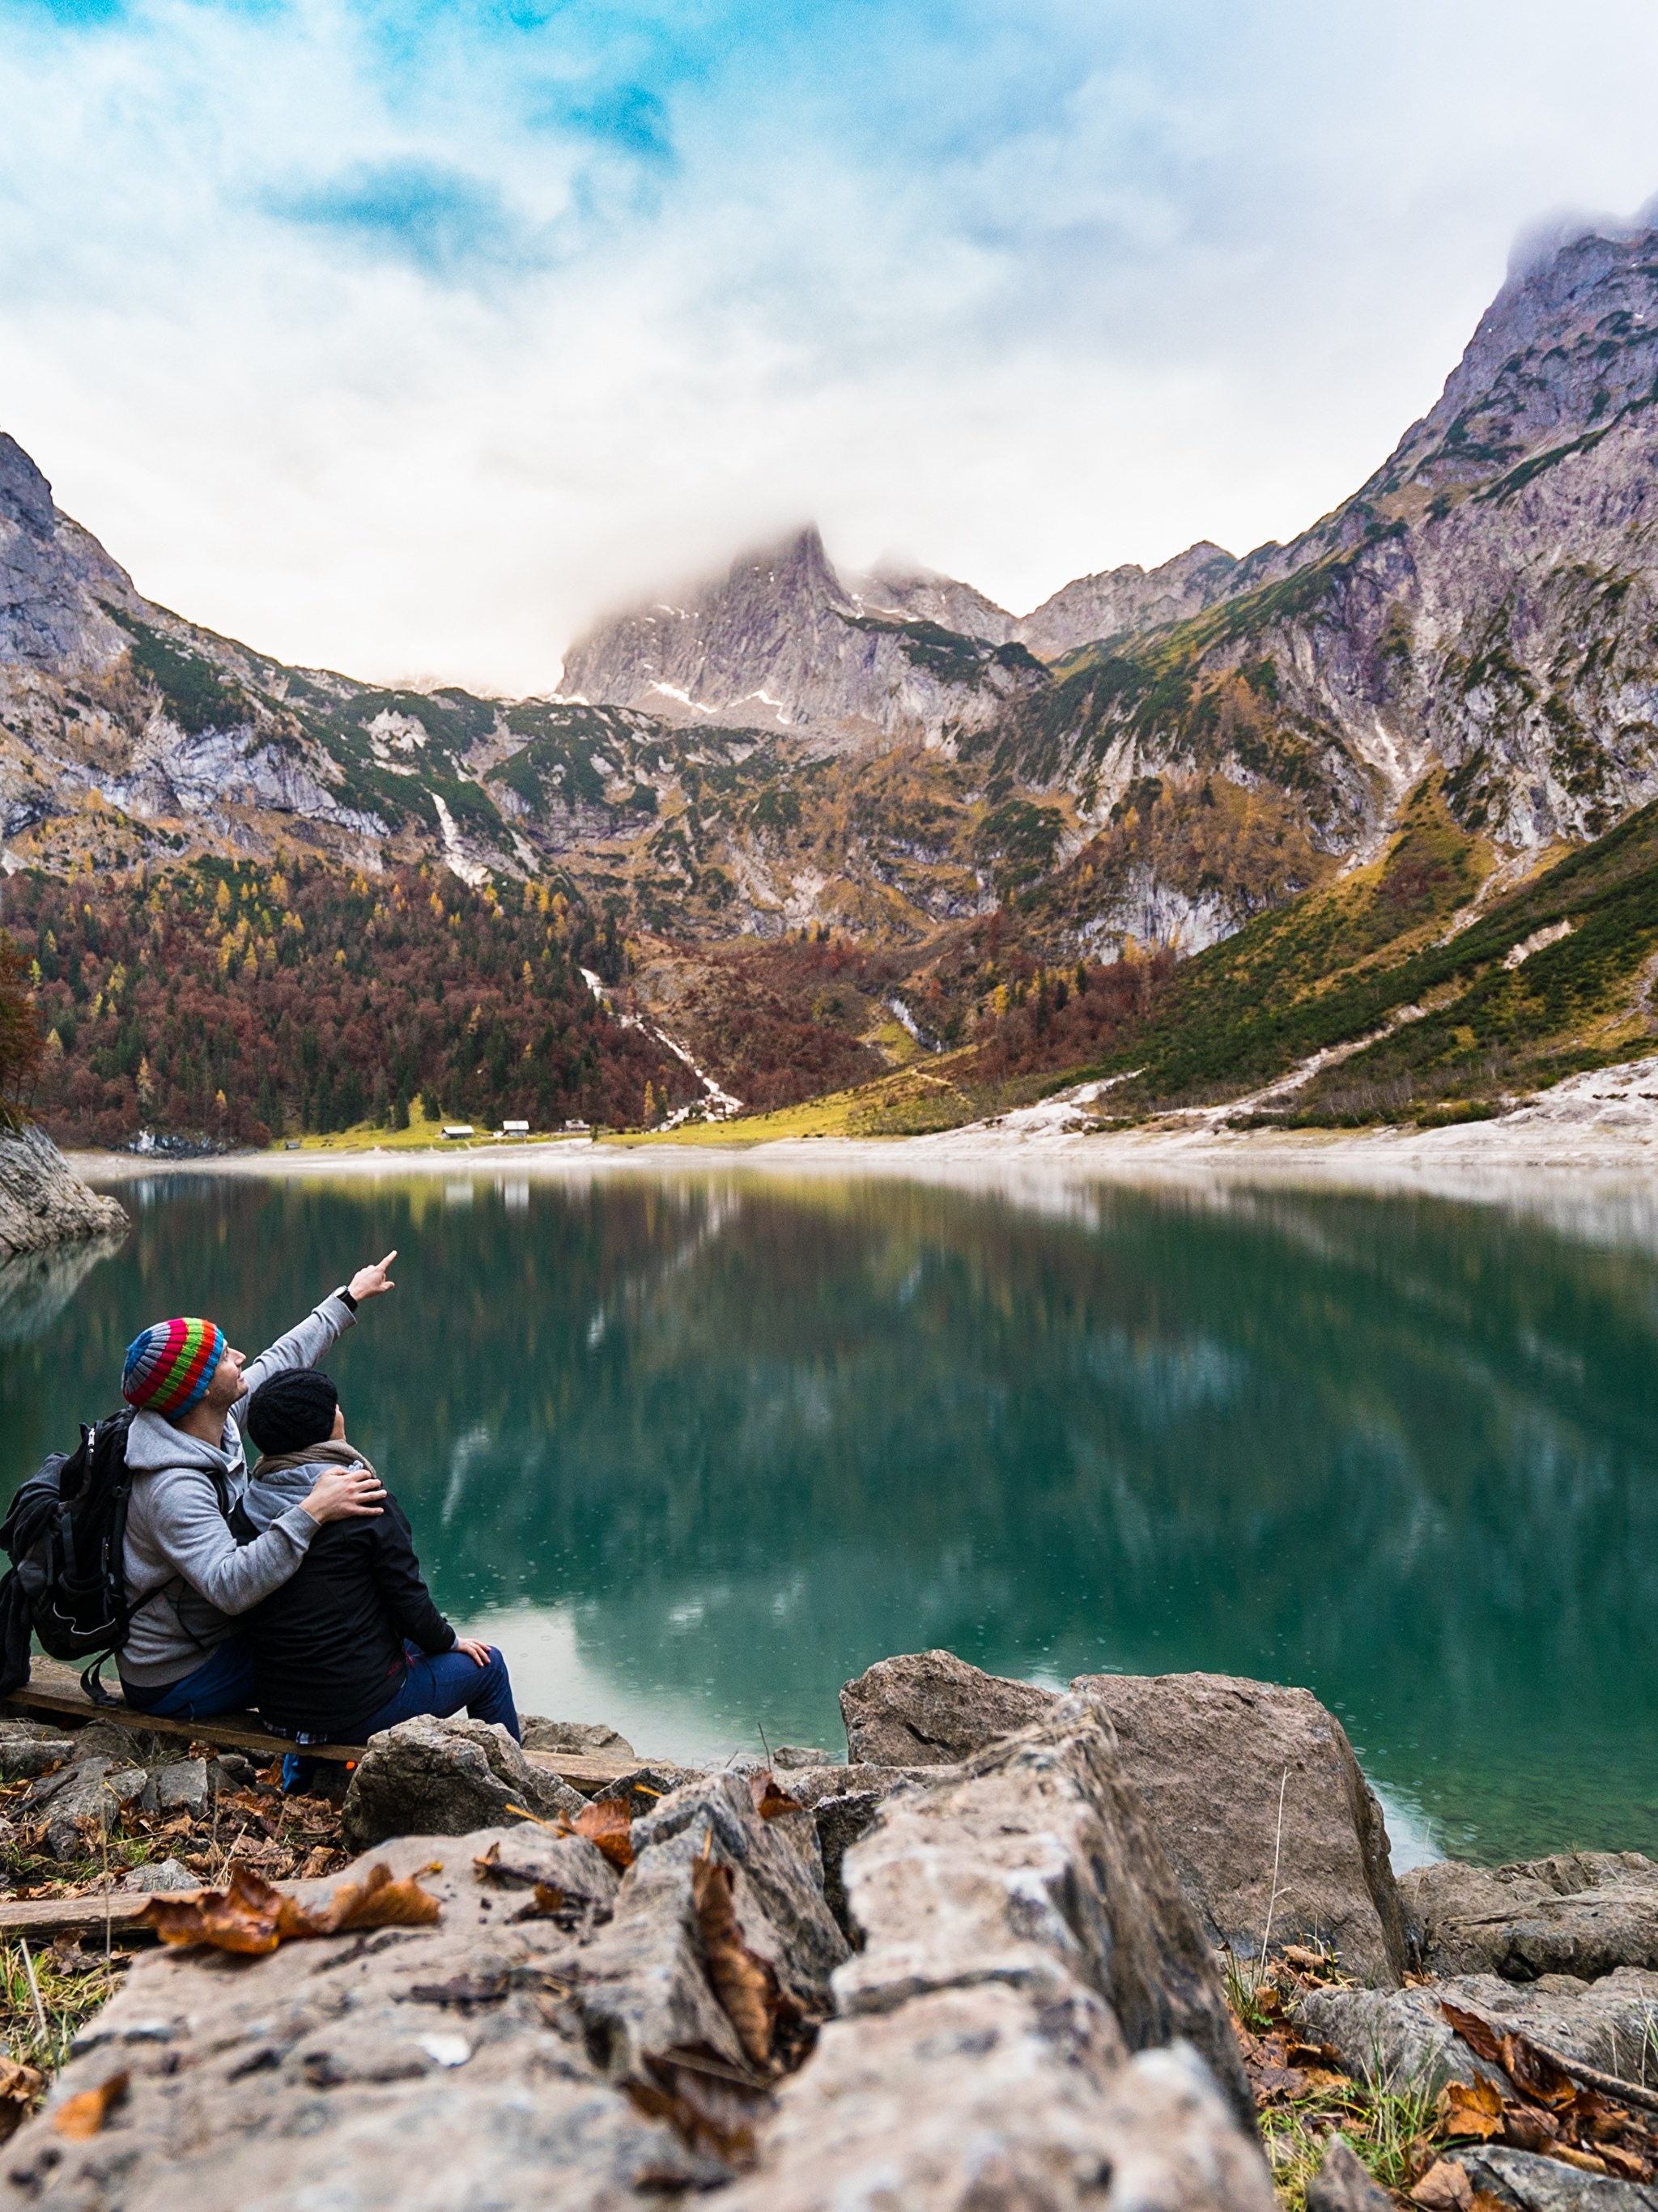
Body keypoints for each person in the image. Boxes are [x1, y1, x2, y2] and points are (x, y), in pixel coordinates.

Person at [114, 1255, 398, 1720]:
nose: (241, 1357)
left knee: (343, 1627)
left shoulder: (212, 1419)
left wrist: (349, 1298)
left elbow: (282, 1358)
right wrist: (312, 1511)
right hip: (179, 1672)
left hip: (211, 1634)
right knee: (345, 1653)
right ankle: (316, 1763)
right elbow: (228, 1585)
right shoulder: (172, 1488)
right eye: (225, 1356)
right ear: (202, 1388)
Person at [236, 1368, 517, 1787]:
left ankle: (301, 1781)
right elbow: (409, 1604)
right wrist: (451, 1642)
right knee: (488, 1666)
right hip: (354, 1712)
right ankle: (516, 1789)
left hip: (281, 1712)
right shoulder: (362, 1501)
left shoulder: (250, 1502)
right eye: (335, 1406)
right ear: (327, 1426)